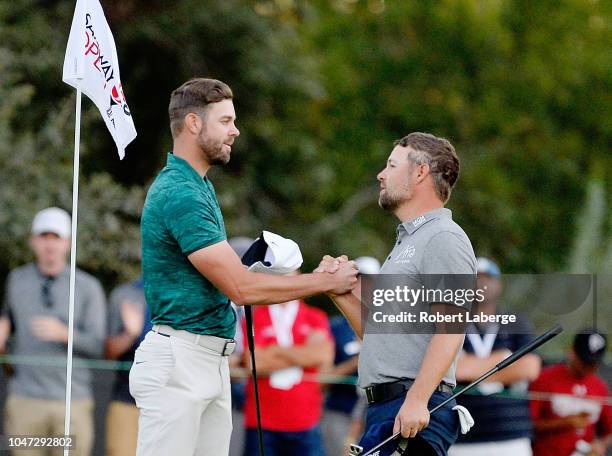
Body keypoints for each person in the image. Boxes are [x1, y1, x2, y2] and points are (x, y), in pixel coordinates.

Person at [129, 77, 358, 456]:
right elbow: (241, 289)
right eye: (225, 121)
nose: (235, 131)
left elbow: (233, 280)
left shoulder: (200, 185)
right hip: (179, 362)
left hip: (207, 360)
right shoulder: (181, 192)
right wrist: (325, 281)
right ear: (193, 123)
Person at [317, 132, 477, 455]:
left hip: (415, 411)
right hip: (386, 409)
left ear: (420, 172)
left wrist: (417, 399)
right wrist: (339, 292)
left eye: (391, 165)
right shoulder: (407, 243)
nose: (381, 174)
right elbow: (380, 337)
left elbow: (451, 328)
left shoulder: (444, 237)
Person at [0, 207, 106, 456]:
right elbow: (8, 326)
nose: (49, 244)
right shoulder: (16, 280)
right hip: (24, 401)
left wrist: (65, 334)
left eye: (56, 237)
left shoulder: (88, 287)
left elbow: (98, 346)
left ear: (68, 242)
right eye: (43, 236)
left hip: (71, 403)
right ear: (32, 241)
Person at [449, 257, 541, 456]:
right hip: (461, 437)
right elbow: (450, 368)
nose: (481, 283)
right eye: (475, 278)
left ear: (498, 284)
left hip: (511, 436)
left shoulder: (516, 322)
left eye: (488, 278)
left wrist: (469, 369)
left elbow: (529, 368)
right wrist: (503, 360)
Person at [241, 275, 334, 455]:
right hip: (262, 421)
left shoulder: (315, 316)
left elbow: (322, 355)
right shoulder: (254, 317)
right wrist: (304, 353)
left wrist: (274, 350)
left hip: (306, 419)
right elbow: (255, 363)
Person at [321, 256, 381, 456]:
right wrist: (358, 360)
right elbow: (323, 379)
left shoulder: (389, 323)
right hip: (340, 412)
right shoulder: (336, 327)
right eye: (359, 278)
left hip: (377, 412)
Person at [529, 330, 612, 456]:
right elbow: (528, 424)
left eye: (593, 363)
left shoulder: (600, 387)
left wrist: (600, 444)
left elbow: (608, 431)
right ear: (572, 352)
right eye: (584, 361)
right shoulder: (544, 378)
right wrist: (565, 422)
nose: (588, 367)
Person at [105, 277, 151, 456]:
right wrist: (131, 334)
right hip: (127, 399)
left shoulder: (186, 291)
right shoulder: (124, 294)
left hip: (172, 401)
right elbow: (108, 352)